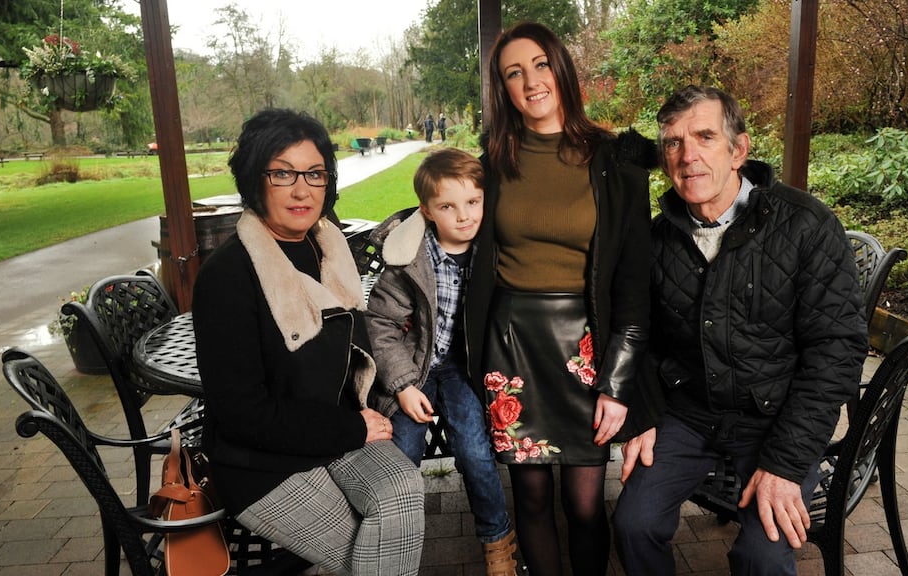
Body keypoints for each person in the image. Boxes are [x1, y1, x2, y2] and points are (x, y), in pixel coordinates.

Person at [612, 85, 869, 575]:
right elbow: (637, 334)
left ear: (739, 150)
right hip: (689, 414)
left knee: (760, 555)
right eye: (673, 142)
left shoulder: (805, 225)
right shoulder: (656, 239)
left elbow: (837, 350)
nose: (687, 155)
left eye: (705, 137)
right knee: (633, 523)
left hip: (777, 415)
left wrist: (785, 464)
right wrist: (641, 416)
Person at [192, 108, 425, 576]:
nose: (302, 190)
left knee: (403, 492)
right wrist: (353, 429)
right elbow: (242, 414)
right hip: (260, 462)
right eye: (283, 173)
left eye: (314, 173)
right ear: (255, 179)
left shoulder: (328, 248)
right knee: (376, 551)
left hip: (332, 429)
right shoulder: (227, 276)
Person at [466, 21, 652, 576]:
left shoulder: (617, 161)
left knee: (585, 503)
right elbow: (453, 234)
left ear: (561, 68)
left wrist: (617, 383)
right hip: (513, 346)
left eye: (540, 64)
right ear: (503, 88)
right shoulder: (493, 161)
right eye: (513, 73)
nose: (531, 82)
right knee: (530, 499)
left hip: (587, 348)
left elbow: (634, 287)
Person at [366, 147, 519, 576]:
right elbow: (380, 322)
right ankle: (394, 546)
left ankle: (497, 541)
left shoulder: (492, 251)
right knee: (402, 453)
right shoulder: (409, 260)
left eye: (473, 201)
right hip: (414, 367)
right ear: (427, 211)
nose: (464, 216)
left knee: (474, 451)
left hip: (461, 368)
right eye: (448, 206)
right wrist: (401, 384)